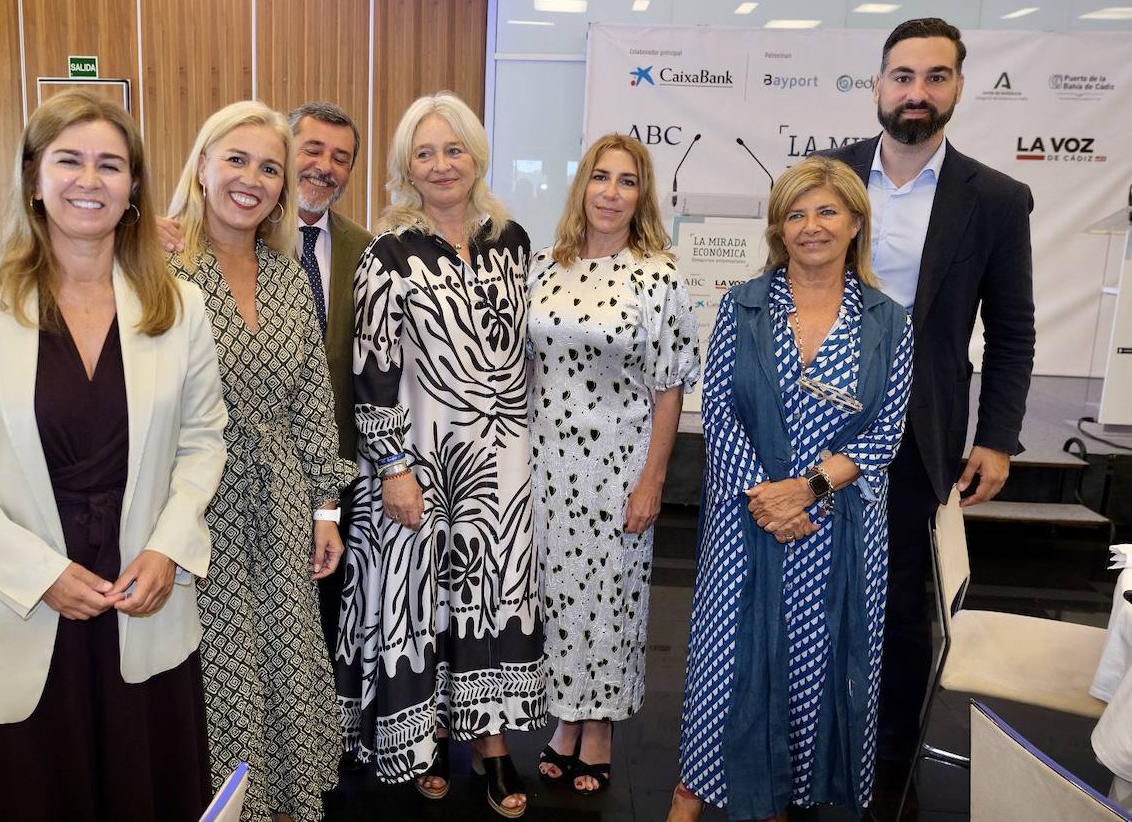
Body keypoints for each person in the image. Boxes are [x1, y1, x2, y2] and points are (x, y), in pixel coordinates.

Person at [0, 89, 227, 821]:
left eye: (111, 165)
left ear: (135, 187)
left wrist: (170, 549)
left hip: (145, 601)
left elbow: (204, 441)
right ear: (34, 178)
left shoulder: (180, 309)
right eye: (69, 160)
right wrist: (37, 573)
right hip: (22, 607)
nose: (90, 180)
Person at [821, 17, 1035, 817]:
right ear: (877, 85)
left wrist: (997, 438)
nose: (917, 92)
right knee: (812, 591)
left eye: (935, 77)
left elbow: (1013, 328)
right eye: (903, 76)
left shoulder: (996, 200)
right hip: (817, 424)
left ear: (956, 88)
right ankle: (806, 746)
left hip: (919, 437)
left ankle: (884, 772)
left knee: (903, 609)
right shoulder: (824, 175)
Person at [669, 157, 914, 822]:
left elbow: (884, 435)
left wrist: (804, 490)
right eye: (797, 213)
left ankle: (778, 799)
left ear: (856, 221)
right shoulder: (743, 305)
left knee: (809, 677)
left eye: (827, 211)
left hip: (833, 532)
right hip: (746, 525)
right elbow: (717, 411)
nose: (812, 226)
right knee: (724, 668)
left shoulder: (889, 321)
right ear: (779, 227)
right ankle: (688, 800)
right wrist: (768, 500)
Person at [335, 91, 544, 818]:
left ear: (476, 155)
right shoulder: (387, 255)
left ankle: (491, 750)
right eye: (425, 153)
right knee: (423, 603)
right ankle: (423, 743)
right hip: (420, 465)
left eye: (453, 149)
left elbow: (526, 354)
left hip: (504, 462)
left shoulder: (513, 240)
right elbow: (373, 368)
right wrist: (393, 467)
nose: (442, 164)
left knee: (489, 599)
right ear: (406, 169)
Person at [166, 99, 357, 821]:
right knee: (217, 670)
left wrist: (326, 510)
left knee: (280, 659)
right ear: (204, 166)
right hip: (192, 500)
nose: (252, 178)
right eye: (237, 159)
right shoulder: (162, 269)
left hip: (278, 502)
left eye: (269, 167)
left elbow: (312, 400)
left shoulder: (285, 278)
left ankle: (278, 802)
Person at [527, 133, 700, 794]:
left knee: (610, 603)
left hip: (619, 469)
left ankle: (598, 728)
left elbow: (670, 388)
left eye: (627, 181)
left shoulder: (658, 274)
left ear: (641, 196)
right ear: (583, 186)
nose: (611, 192)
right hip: (546, 466)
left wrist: (653, 480)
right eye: (601, 177)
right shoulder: (545, 265)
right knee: (558, 600)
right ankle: (563, 719)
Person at [285, 101, 376, 664]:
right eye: (312, 149)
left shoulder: (364, 249)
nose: (325, 167)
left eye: (341, 158)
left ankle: (322, 743)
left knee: (324, 616)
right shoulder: (235, 235)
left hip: (334, 467)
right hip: (242, 468)